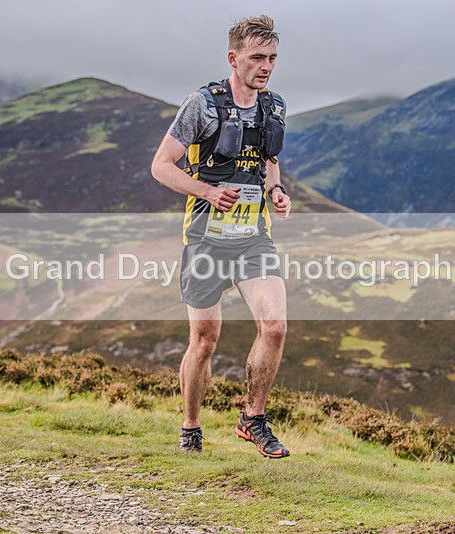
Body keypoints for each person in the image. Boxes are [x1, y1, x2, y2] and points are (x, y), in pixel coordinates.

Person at [151, 15, 291, 458]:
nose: (265, 66)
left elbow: (268, 159)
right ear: (233, 58)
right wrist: (208, 190)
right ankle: (191, 426)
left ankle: (252, 419)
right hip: (206, 241)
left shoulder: (274, 106)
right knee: (205, 340)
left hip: (253, 238)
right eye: (256, 58)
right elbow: (162, 166)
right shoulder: (202, 104)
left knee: (275, 327)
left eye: (271, 58)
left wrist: (276, 191)